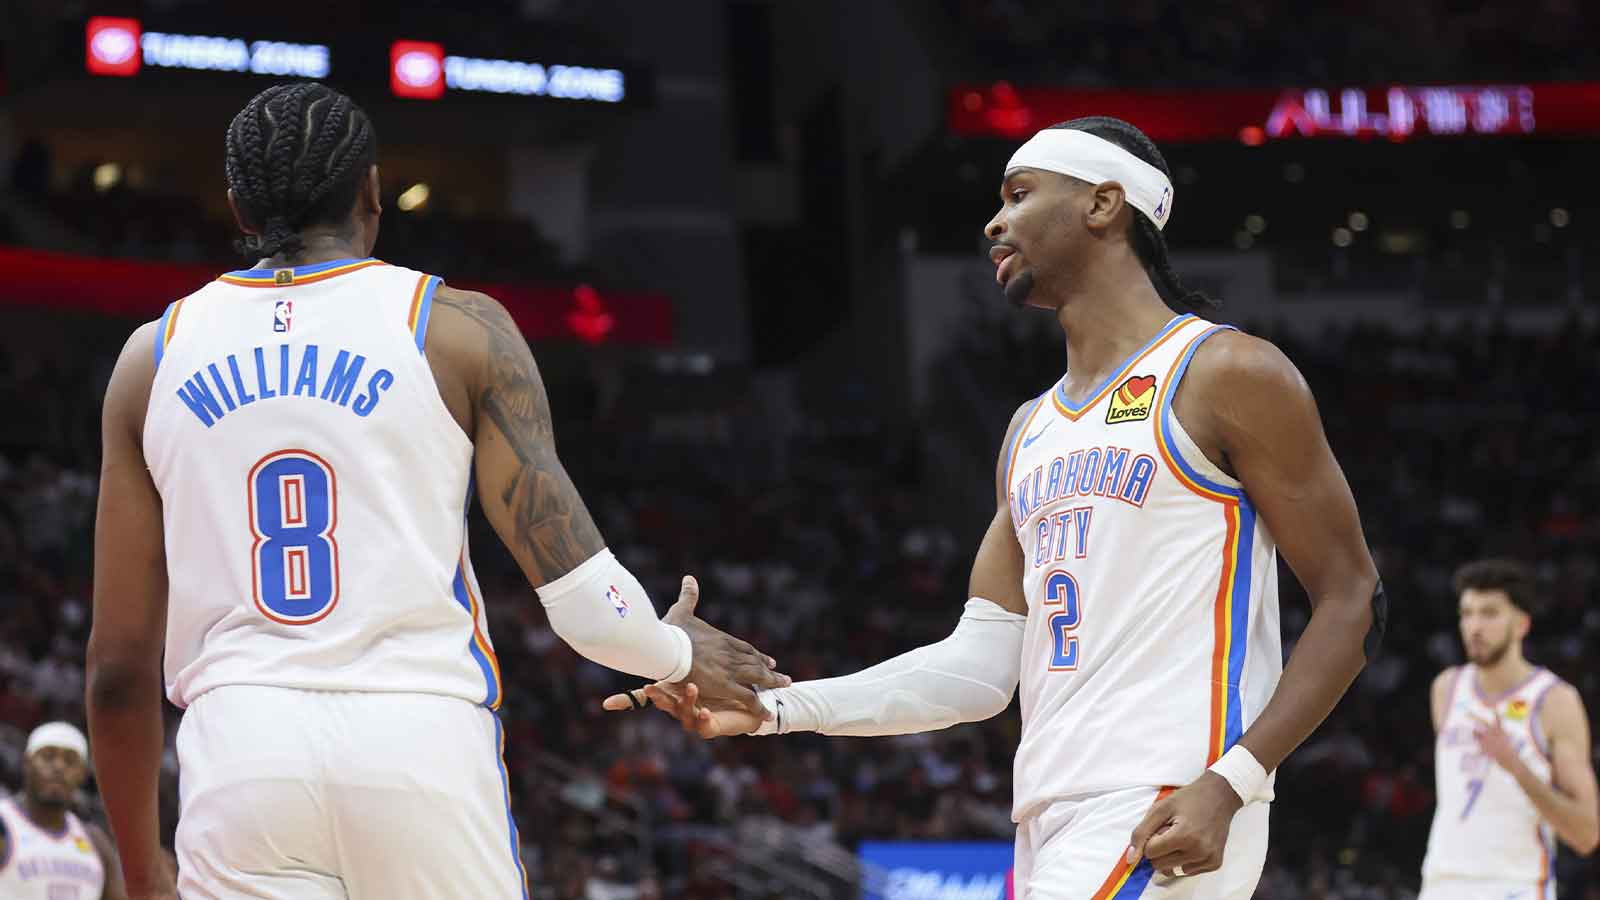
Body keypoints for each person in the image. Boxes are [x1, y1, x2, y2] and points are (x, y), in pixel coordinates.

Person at [610, 117, 1383, 899]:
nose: (994, 222)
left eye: (1019, 195)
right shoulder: (1029, 431)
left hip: (1168, 795)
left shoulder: (1225, 371)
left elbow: (1352, 598)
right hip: (1048, 809)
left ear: (1105, 204)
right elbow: (978, 669)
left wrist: (1234, 780)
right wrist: (775, 708)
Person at [85, 81, 784, 900]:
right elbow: (587, 605)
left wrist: (142, 871)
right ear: (373, 192)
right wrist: (674, 651)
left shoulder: (151, 359)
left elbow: (117, 670)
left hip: (241, 751)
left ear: (238, 207)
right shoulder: (458, 327)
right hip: (417, 739)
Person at [1420, 560, 1597, 899]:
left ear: (1521, 624)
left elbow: (1586, 832)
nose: (1474, 626)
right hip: (1441, 883)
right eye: (1467, 613)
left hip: (1513, 885)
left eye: (1489, 613)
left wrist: (1517, 767)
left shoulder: (1554, 701)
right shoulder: (1446, 689)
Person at [0, 722, 126, 900]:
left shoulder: (96, 842)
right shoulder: (4, 823)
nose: (59, 767)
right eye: (48, 756)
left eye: (70, 760)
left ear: (82, 773)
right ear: (27, 763)